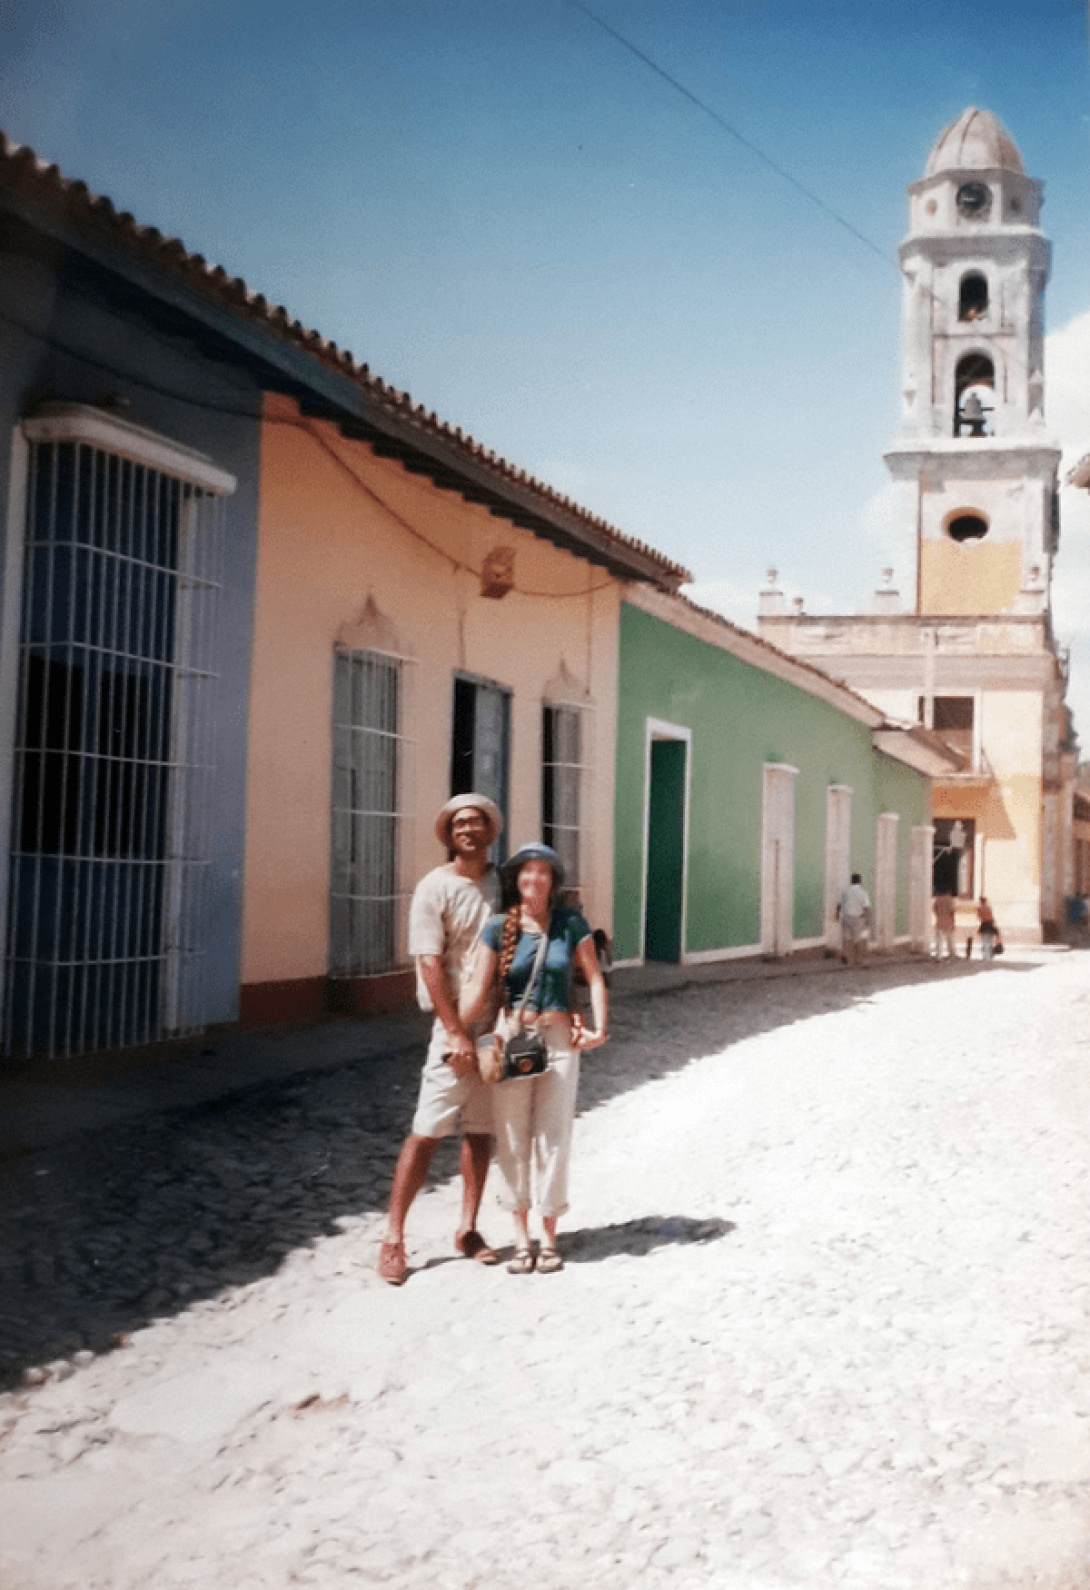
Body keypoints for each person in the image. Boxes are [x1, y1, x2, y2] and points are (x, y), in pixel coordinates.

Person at [460, 843, 608, 1275]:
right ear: (517, 880)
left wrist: (599, 1026)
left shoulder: (569, 924)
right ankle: (520, 1237)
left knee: (554, 1136)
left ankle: (549, 1236)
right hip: (513, 1037)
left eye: (543, 873)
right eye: (527, 873)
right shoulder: (498, 927)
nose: (535, 880)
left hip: (559, 1038)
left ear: (553, 881)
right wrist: (453, 1030)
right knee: (512, 1136)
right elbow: (476, 987)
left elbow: (595, 978)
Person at [377, 794, 504, 1287]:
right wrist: (454, 1033)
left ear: (491, 831)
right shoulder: (434, 887)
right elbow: (429, 962)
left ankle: (468, 1230)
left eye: (476, 822)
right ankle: (393, 1239)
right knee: (427, 1129)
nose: (468, 830)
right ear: (449, 835)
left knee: (480, 1129)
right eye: (459, 824)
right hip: (451, 1029)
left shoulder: (502, 884)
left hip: (496, 1028)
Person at [836, 873, 871, 966]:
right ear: (860, 881)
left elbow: (839, 904)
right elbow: (866, 907)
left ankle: (845, 955)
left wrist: (837, 915)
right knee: (857, 939)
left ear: (851, 881)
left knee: (846, 937)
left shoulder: (845, 891)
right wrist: (867, 919)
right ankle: (858, 959)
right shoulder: (863, 893)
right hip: (857, 918)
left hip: (846, 916)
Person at [933, 891, 957, 960]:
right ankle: (951, 953)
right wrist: (953, 921)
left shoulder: (938, 899)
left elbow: (934, 908)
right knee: (950, 939)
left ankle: (938, 955)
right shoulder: (950, 899)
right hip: (948, 920)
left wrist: (938, 915)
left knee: (939, 939)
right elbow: (952, 911)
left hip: (939, 920)